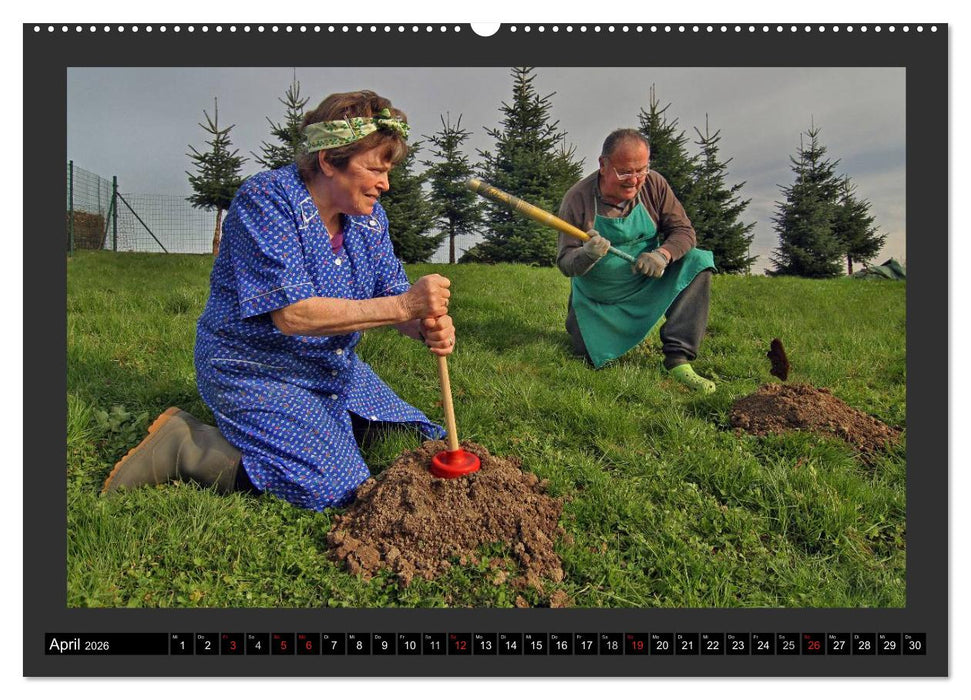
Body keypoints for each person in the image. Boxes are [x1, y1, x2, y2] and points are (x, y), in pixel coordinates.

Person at [102, 90, 455, 510]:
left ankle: (320, 429)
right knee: (339, 488)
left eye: (388, 171)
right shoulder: (267, 200)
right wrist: (405, 306)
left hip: (328, 368)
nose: (385, 184)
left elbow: (394, 298)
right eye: (375, 170)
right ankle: (187, 447)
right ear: (329, 160)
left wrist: (423, 325)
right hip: (254, 368)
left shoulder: (370, 220)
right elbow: (293, 315)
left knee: (414, 439)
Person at [556, 128, 717, 393]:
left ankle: (678, 359)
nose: (634, 180)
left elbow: (684, 231)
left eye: (641, 170)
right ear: (603, 165)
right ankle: (593, 330)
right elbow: (565, 262)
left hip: (646, 283)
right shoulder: (578, 199)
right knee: (587, 357)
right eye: (625, 172)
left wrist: (662, 255)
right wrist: (587, 254)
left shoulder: (654, 185)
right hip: (600, 302)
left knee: (697, 261)